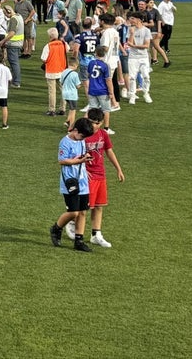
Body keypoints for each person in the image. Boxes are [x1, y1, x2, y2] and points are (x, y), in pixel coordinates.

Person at [78, 107, 125, 249]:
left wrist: (118, 169)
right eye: (93, 122)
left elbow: (109, 151)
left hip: (100, 174)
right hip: (88, 175)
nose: (95, 126)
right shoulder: (83, 136)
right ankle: (73, 224)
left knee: (99, 206)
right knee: (86, 207)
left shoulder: (103, 134)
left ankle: (96, 234)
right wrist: (83, 171)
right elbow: (75, 155)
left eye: (98, 123)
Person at [49, 117, 95, 252]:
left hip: (82, 181)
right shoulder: (65, 142)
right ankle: (56, 228)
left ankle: (79, 240)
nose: (82, 139)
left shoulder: (81, 140)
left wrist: (85, 158)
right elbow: (62, 161)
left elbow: (80, 155)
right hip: (70, 182)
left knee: (82, 212)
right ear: (75, 130)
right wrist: (78, 161)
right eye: (81, 136)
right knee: (73, 212)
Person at [40, 27, 68, 117]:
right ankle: (62, 109)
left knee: (52, 92)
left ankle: (52, 110)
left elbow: (43, 59)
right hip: (62, 70)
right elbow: (68, 49)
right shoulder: (63, 44)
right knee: (63, 90)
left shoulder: (48, 46)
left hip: (51, 71)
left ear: (50, 36)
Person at [61, 55, 83, 129]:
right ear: (74, 65)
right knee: (73, 110)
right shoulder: (75, 74)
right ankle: (71, 127)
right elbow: (77, 86)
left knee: (71, 108)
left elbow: (61, 82)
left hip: (65, 93)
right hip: (72, 94)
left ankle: (67, 121)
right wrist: (81, 84)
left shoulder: (64, 71)